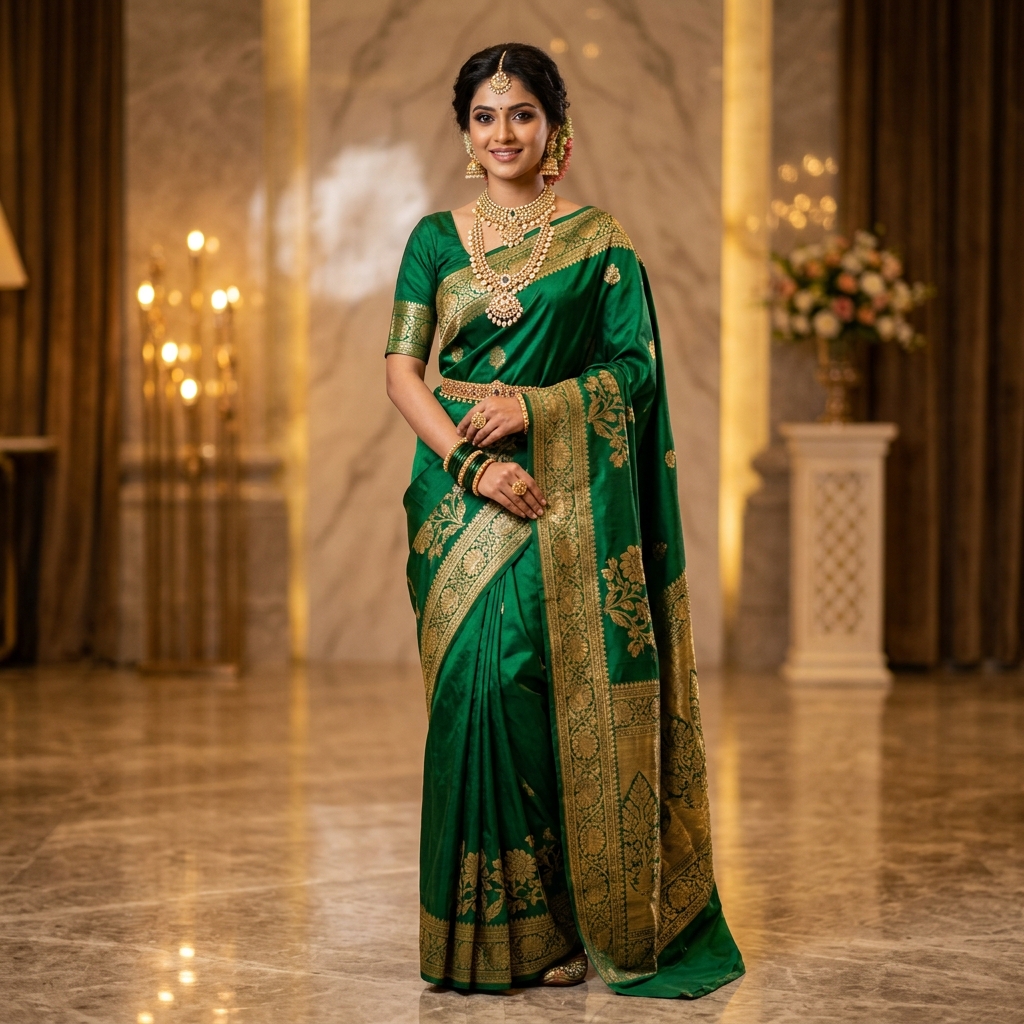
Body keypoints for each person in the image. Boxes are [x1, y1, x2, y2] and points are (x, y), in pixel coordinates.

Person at [384, 42, 744, 997]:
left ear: (556, 130)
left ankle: (556, 927)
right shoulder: (432, 241)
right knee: (468, 695)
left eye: (523, 115)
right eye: (486, 117)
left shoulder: (601, 242)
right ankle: (469, 933)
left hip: (563, 503)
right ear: (466, 133)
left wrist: (536, 411)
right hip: (454, 499)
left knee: (530, 693)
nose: (504, 134)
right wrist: (467, 462)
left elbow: (636, 373)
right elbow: (400, 373)